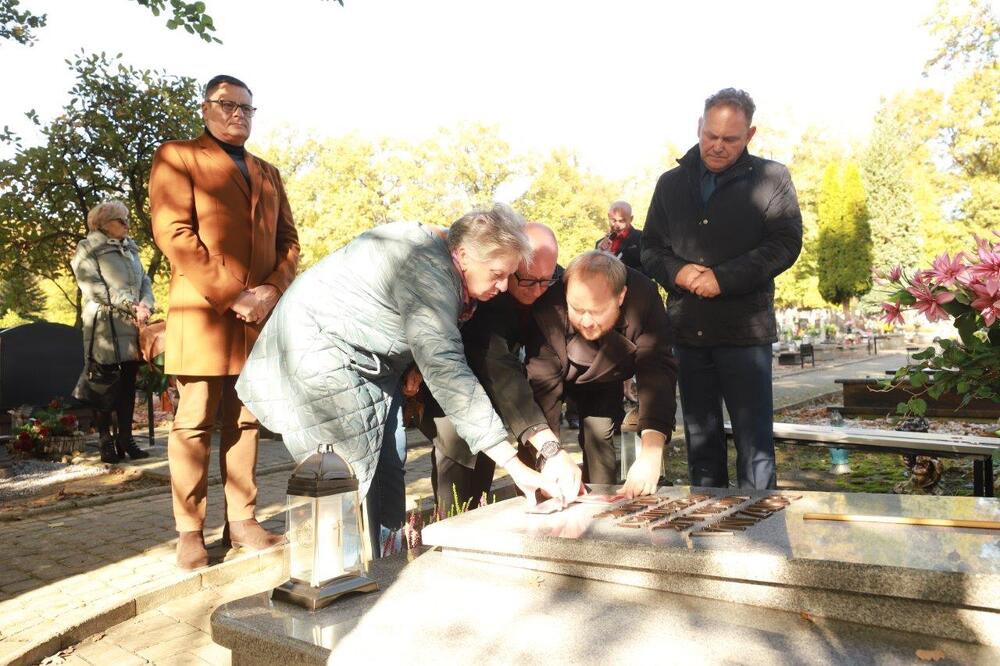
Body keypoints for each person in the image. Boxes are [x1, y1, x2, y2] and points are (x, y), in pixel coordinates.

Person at [236, 205, 580, 552]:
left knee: (389, 462)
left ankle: (386, 563)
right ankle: (340, 575)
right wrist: (514, 465)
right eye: (496, 274)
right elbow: (447, 370)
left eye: (508, 275)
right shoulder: (428, 273)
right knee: (347, 478)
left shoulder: (447, 258)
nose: (503, 286)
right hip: (317, 355)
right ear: (463, 254)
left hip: (368, 365)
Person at [150, 74, 300, 569]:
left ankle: (242, 522)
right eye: (227, 104)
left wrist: (272, 289)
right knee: (193, 422)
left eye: (247, 108)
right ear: (206, 109)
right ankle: (189, 531)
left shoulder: (269, 172)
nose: (238, 113)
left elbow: (290, 242)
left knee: (247, 420)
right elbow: (174, 231)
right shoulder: (178, 156)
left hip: (259, 319)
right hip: (204, 314)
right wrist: (233, 295)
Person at [641, 88, 802, 490]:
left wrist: (723, 278)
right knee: (700, 441)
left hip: (745, 333)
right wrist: (677, 272)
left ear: (750, 135)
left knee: (755, 446)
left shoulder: (772, 177)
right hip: (688, 330)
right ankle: (707, 539)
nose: (717, 146)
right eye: (710, 135)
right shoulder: (670, 183)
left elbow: (785, 244)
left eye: (730, 139)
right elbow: (650, 248)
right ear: (699, 127)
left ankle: (761, 535)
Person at [416, 222, 581, 517]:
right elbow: (498, 366)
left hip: (505, 388)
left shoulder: (551, 284)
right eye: (529, 281)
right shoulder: (489, 293)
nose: (539, 291)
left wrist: (549, 449)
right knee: (462, 459)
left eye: (547, 280)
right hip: (456, 384)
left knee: (510, 457)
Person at [526, 251, 677, 497]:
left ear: (621, 297)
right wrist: (549, 456)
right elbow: (541, 391)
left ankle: (602, 500)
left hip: (610, 368)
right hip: (555, 371)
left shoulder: (643, 297)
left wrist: (651, 454)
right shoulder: (548, 306)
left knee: (599, 432)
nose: (586, 321)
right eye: (577, 309)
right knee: (543, 465)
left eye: (596, 311)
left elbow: (657, 372)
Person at [71, 200, 155, 464]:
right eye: (121, 220)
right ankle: (105, 440)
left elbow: (145, 281)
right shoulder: (88, 248)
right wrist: (131, 306)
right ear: (103, 224)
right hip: (104, 327)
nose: (127, 225)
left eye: (127, 219)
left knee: (129, 385)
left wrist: (146, 305)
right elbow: (94, 288)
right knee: (104, 385)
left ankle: (126, 439)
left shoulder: (130, 249)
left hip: (132, 326)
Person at [596, 201, 642, 270]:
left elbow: (649, 269)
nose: (617, 225)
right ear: (608, 216)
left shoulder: (642, 238)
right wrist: (600, 255)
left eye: (621, 221)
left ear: (631, 219)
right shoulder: (600, 243)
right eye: (613, 220)